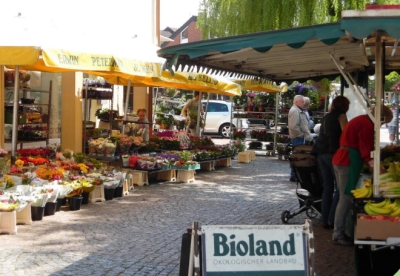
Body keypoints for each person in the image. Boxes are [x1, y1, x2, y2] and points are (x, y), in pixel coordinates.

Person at [331, 105, 393, 246]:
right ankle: (338, 234)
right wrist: (375, 168)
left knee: (343, 197)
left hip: (342, 159)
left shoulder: (361, 120)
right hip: (347, 161)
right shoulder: (366, 125)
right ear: (380, 117)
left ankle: (340, 231)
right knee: (345, 198)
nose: (382, 124)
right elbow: (365, 150)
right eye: (383, 121)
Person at [312, 96, 350, 230]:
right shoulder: (341, 116)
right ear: (344, 105)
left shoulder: (326, 117)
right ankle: (331, 219)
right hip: (333, 154)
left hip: (321, 153)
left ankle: (324, 219)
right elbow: (347, 133)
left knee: (327, 187)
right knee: (339, 189)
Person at [288, 95, 313, 182]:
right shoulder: (295, 111)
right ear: (296, 102)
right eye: (302, 101)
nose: (304, 103)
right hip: (298, 137)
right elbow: (293, 127)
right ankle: (295, 175)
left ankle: (296, 175)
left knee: (298, 156)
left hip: (299, 137)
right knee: (298, 157)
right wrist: (301, 134)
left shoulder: (297, 110)